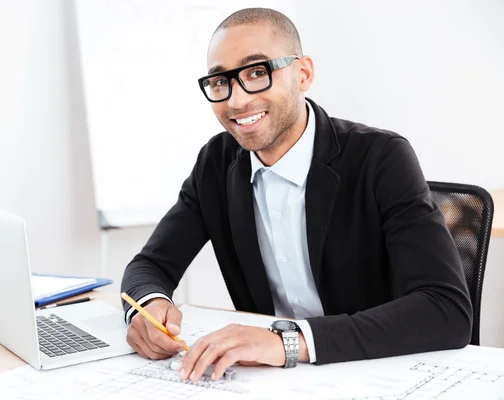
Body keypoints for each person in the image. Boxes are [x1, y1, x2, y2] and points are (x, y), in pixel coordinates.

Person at [120, 7, 471, 382]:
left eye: (257, 72)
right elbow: (151, 266)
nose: (236, 101)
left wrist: (286, 342)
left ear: (303, 74)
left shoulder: (381, 157)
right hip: (272, 382)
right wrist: (147, 306)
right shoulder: (217, 163)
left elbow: (445, 309)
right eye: (220, 81)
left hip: (376, 373)